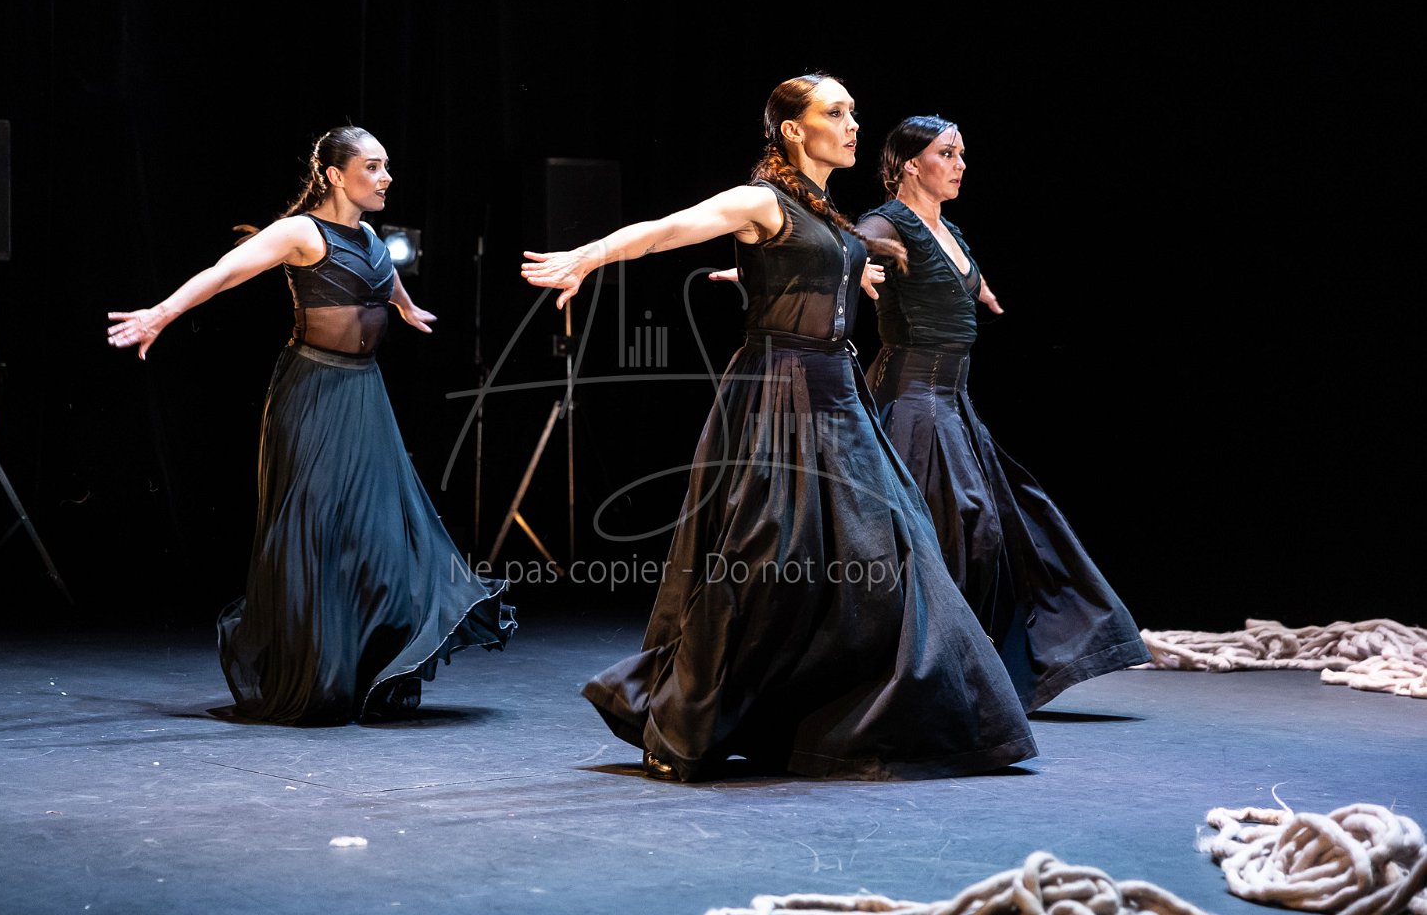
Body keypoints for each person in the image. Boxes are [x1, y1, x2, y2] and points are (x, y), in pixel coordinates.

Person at [521, 75, 1035, 781]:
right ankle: (688, 720)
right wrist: (589, 255)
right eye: (835, 113)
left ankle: (860, 718)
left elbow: (822, 271)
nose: (852, 125)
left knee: (896, 546)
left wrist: (838, 278)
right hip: (779, 392)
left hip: (840, 392)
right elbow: (668, 229)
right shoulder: (761, 200)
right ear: (793, 129)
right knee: (768, 557)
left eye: (853, 112)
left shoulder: (828, 212)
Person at [108, 126, 514, 724]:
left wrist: (404, 306)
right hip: (314, 390)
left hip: (365, 391)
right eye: (372, 167)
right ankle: (315, 676)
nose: (386, 177)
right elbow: (224, 272)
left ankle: (364, 669)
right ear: (334, 175)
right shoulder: (302, 232)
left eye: (386, 166)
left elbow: (380, 272)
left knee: (378, 530)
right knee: (316, 529)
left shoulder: (369, 234)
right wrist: (162, 314)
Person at [859, 115, 1148, 711]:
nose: (960, 165)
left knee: (994, 529)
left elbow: (955, 271)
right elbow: (840, 248)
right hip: (912, 401)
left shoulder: (948, 230)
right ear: (911, 163)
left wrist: (979, 288)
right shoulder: (887, 224)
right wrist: (806, 268)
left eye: (962, 153)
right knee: (952, 531)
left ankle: (961, 669)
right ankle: (919, 672)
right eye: (947, 153)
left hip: (953, 402)